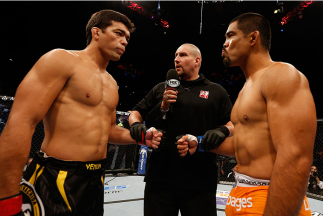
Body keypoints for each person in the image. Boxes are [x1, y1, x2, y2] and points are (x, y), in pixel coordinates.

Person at [0, 9, 161, 216]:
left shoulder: (112, 83)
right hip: (56, 175)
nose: (125, 41)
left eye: (127, 37)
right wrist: (7, 199)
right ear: (96, 33)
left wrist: (141, 137)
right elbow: (21, 122)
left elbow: (109, 130)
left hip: (95, 178)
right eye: (119, 33)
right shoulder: (61, 60)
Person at [177, 13, 317, 216]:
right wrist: (199, 143)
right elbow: (245, 144)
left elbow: (295, 156)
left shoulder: (281, 74)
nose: (224, 44)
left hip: (270, 196)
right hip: (242, 194)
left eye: (230, 36)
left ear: (253, 38)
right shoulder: (248, 87)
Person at [129, 43, 234, 216]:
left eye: (182, 55)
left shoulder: (216, 91)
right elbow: (135, 112)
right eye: (175, 55)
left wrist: (223, 130)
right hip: (160, 178)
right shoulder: (161, 88)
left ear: (196, 60)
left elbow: (233, 122)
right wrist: (136, 124)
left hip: (200, 180)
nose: (176, 59)